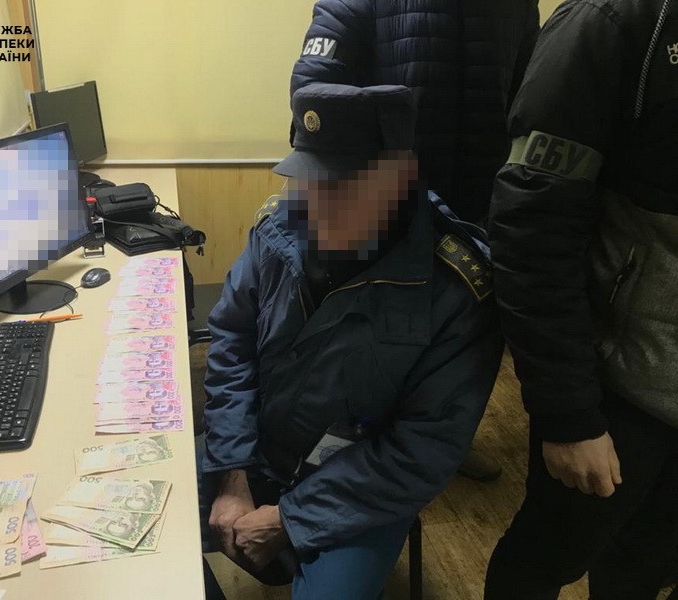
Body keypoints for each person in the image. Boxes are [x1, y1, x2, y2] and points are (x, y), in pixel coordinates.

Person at [199, 82, 504, 599]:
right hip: (255, 451)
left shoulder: (455, 288)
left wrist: (288, 519)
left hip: (358, 490)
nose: (315, 206)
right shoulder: (277, 230)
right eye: (306, 181)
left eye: (341, 186)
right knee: (135, 521)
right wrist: (232, 472)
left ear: (401, 177)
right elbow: (232, 339)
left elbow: (423, 450)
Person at [291, 0, 540, 481]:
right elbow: (313, 89)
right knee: (376, 341)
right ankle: (354, 459)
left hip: (478, 208)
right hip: (387, 205)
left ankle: (444, 441)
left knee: (464, 342)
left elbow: (528, 94)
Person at [484, 1, 678, 598]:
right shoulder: (608, 23)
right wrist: (568, 416)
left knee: (646, 564)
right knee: (545, 558)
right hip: (618, 389)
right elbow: (531, 228)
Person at [290, 0, 540, 225]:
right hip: (380, 219)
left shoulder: (518, 6)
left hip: (484, 222)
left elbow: (527, 108)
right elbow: (313, 99)